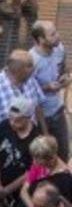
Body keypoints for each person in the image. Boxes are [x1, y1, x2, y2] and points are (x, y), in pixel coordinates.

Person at [30, 21, 69, 158]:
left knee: (64, 152)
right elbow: (27, 90)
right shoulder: (32, 60)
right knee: (45, 156)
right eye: (52, 34)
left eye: (56, 31)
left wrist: (65, 78)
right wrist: (46, 87)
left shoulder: (59, 49)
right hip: (40, 117)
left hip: (58, 111)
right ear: (41, 39)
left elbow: (63, 69)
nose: (58, 36)